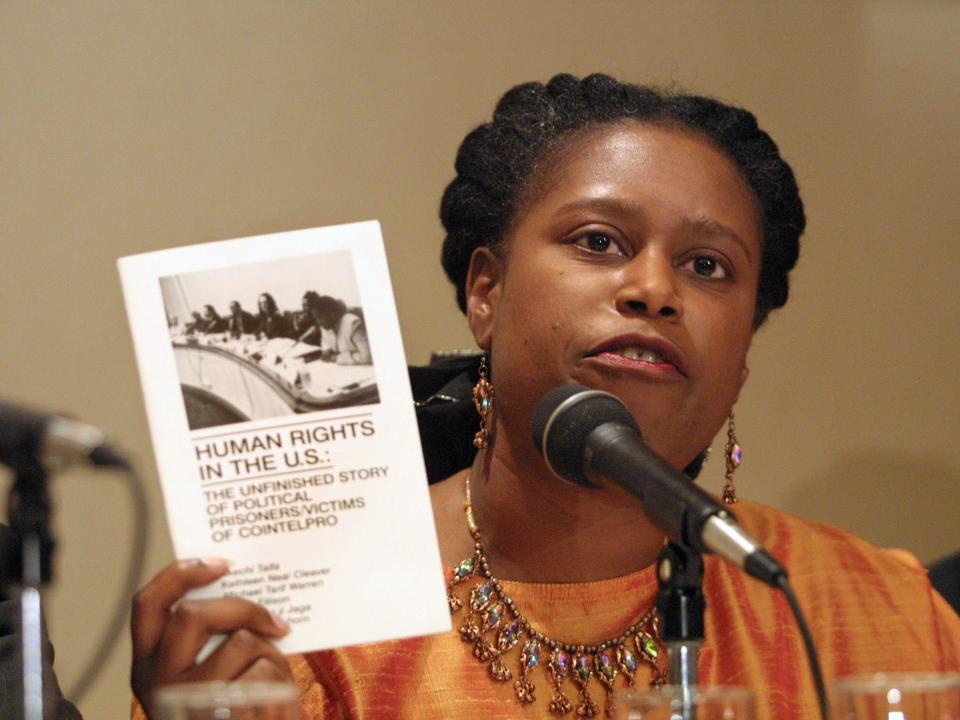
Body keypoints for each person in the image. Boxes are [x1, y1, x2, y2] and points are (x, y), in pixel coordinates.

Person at [129, 74, 960, 719]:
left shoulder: (872, 613)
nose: (653, 288)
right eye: (599, 241)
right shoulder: (299, 630)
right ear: (484, 291)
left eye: (708, 266)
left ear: (742, 356)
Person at [298, 292, 371, 365]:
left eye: (320, 318)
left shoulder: (353, 324)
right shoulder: (325, 327)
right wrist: (327, 350)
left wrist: (336, 358)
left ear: (332, 314)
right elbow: (325, 342)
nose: (318, 322)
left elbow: (367, 357)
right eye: (316, 319)